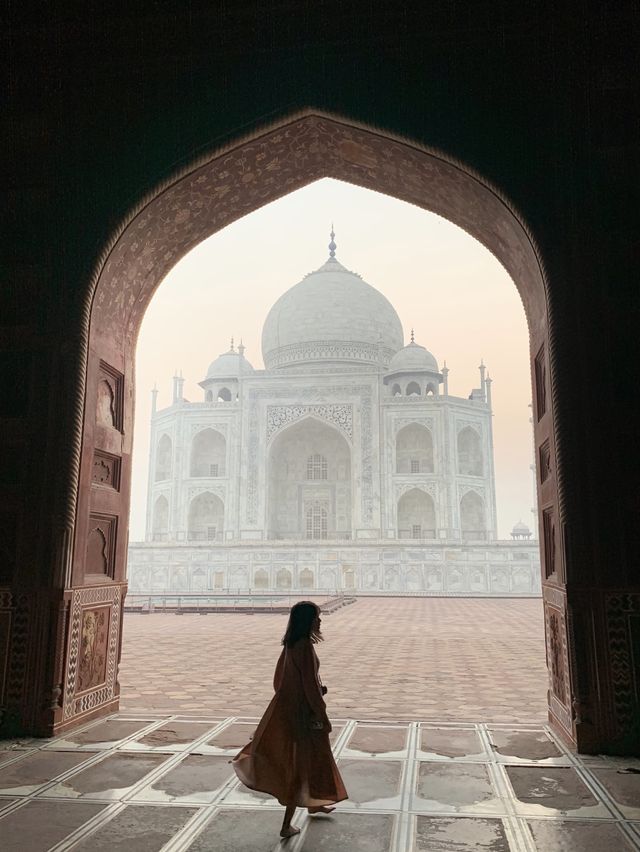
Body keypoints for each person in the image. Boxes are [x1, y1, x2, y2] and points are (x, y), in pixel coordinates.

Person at [232, 600, 348, 838]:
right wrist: (319, 711)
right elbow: (308, 684)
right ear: (308, 621)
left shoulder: (291, 644)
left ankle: (315, 802)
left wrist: (301, 692)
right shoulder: (304, 646)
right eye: (316, 617)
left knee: (313, 758)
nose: (319, 620)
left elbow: (281, 681)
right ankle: (287, 825)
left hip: (288, 708)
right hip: (302, 714)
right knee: (299, 764)